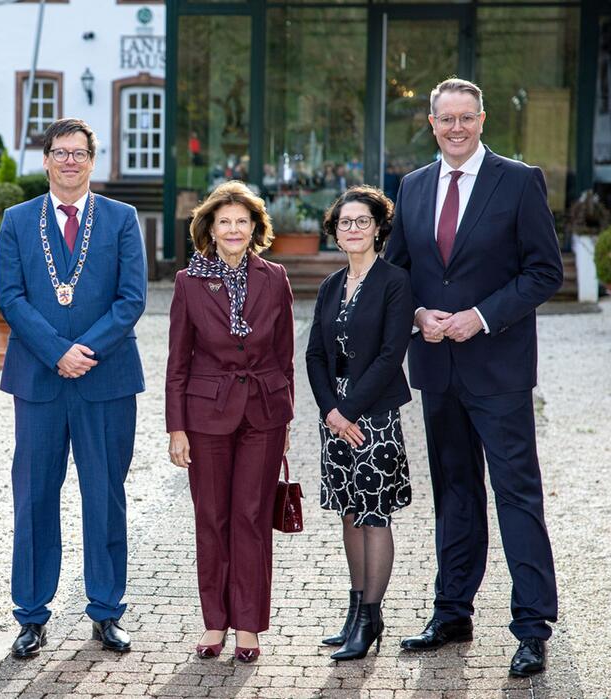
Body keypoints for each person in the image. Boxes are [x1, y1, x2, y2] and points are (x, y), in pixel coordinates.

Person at [384, 78, 563, 677]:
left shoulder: (518, 181)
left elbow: (544, 272)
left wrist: (481, 317)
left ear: (482, 120)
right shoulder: (410, 187)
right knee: (454, 495)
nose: (456, 128)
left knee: (517, 496)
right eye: (445, 119)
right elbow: (396, 274)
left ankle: (533, 626)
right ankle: (452, 611)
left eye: (466, 117)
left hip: (499, 368)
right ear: (431, 123)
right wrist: (415, 314)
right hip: (437, 370)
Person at [0, 118, 146, 658]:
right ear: (45, 160)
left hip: (106, 380)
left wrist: (86, 350)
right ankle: (31, 615)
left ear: (92, 160)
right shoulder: (16, 221)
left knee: (104, 495)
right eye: (59, 153)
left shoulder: (122, 219)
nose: (69, 162)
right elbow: (10, 297)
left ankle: (107, 611)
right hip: (39, 380)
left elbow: (132, 299)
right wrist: (56, 351)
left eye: (79, 153)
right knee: (35, 497)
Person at [166, 180, 294, 664]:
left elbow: (284, 355)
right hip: (205, 415)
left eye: (243, 221)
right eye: (225, 222)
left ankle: (248, 627)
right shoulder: (188, 281)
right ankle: (214, 622)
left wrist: (285, 423)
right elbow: (178, 361)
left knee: (253, 519)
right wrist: (176, 428)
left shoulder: (275, 276)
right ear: (211, 230)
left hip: (263, 412)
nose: (234, 229)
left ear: (255, 228)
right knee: (212, 520)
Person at [305, 185, 414, 660]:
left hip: (374, 414)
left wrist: (350, 411)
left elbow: (392, 355)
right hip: (336, 416)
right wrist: (331, 410)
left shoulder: (395, 282)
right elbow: (312, 355)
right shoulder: (330, 286)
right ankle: (354, 613)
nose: (352, 229)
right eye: (344, 222)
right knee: (349, 514)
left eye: (361, 221)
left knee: (373, 515)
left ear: (378, 229)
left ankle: (371, 618)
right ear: (335, 230)